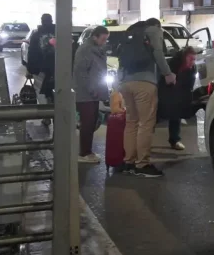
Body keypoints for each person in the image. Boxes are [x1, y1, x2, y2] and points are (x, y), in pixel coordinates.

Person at [117, 19, 175, 178]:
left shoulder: (131, 32)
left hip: (125, 82)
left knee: (131, 122)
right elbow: (158, 53)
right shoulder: (154, 30)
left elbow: (120, 59)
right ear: (157, 25)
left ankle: (128, 161)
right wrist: (168, 74)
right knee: (145, 123)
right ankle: (142, 164)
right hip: (144, 83)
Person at [74, 25, 109, 164]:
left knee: (91, 122)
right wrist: (91, 89)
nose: (104, 42)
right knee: (87, 123)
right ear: (95, 37)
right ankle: (84, 153)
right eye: (103, 39)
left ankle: (87, 151)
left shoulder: (97, 50)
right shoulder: (85, 50)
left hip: (93, 93)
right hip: (86, 93)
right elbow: (81, 73)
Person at [159, 47, 197, 151]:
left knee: (176, 114)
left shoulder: (193, 68)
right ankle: (144, 140)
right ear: (185, 57)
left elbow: (189, 86)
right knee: (156, 116)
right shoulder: (174, 63)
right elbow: (166, 80)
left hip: (178, 92)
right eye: (190, 59)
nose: (192, 62)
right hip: (165, 89)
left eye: (194, 59)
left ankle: (174, 140)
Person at [27, 14, 57, 103]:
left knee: (41, 94)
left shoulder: (36, 35)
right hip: (56, 69)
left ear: (41, 21)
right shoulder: (59, 34)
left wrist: (30, 70)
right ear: (52, 21)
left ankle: (46, 114)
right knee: (56, 92)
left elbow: (31, 53)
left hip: (40, 70)